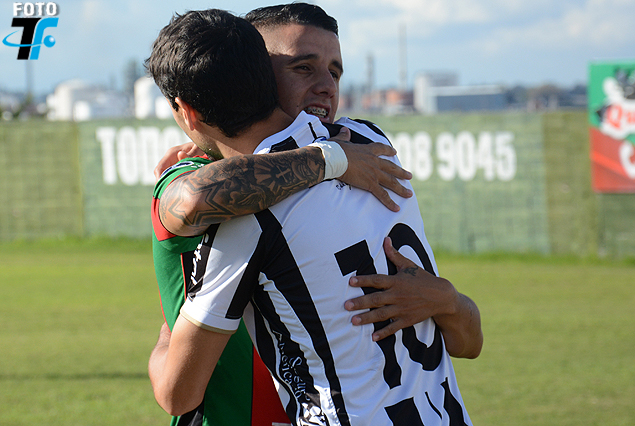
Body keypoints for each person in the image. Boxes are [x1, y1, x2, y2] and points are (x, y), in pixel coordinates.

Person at [146, 8, 474, 425]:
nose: (326, 87)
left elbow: (177, 393)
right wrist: (329, 157)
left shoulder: (247, 213)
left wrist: (166, 335)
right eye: (303, 67)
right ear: (260, 75)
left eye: (335, 72)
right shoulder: (370, 143)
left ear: (187, 111)